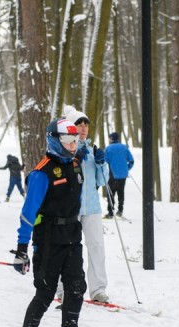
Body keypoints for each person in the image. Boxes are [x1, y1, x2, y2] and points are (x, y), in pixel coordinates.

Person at [10, 118, 91, 327]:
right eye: (67, 141)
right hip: (48, 242)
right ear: (54, 140)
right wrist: (22, 249)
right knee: (45, 293)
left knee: (76, 290)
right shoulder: (41, 172)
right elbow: (28, 212)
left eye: (75, 140)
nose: (72, 145)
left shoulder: (76, 165)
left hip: (72, 238)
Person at [63, 106, 110, 304]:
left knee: (97, 247)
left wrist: (102, 163)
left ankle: (98, 289)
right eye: (78, 124)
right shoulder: (64, 149)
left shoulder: (92, 151)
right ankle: (64, 289)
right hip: (70, 208)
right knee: (68, 249)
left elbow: (103, 181)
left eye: (85, 125)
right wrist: (74, 159)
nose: (83, 128)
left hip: (91, 207)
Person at [104, 132, 134, 218]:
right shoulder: (124, 147)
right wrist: (126, 168)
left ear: (112, 139)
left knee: (110, 193)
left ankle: (110, 212)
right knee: (121, 192)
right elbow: (131, 161)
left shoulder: (108, 149)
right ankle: (120, 210)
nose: (109, 139)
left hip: (113, 175)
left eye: (110, 138)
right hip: (123, 175)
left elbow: (104, 160)